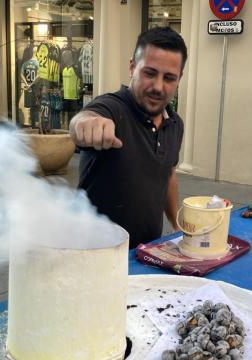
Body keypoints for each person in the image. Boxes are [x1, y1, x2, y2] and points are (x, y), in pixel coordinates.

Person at [69, 27, 186, 248]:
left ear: (179, 79)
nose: (158, 87)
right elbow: (84, 119)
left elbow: (168, 173)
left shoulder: (175, 124)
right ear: (132, 67)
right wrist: (87, 124)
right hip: (95, 253)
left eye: (169, 78)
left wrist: (176, 224)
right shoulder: (112, 107)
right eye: (150, 73)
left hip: (147, 253)